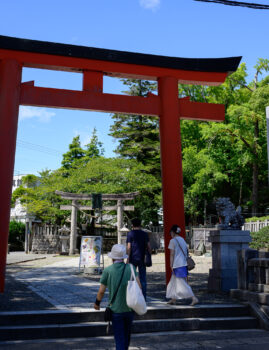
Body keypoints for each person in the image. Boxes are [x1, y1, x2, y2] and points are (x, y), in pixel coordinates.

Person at [94, 244, 141, 350]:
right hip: (130, 308)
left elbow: (101, 291)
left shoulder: (108, 270)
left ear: (113, 257)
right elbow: (139, 286)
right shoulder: (131, 268)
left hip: (116, 310)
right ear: (123, 257)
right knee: (126, 337)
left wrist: (97, 303)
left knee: (119, 338)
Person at [166, 224, 199, 306]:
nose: (170, 234)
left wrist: (171, 264)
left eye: (171, 232)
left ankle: (193, 298)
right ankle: (173, 299)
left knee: (182, 283)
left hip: (177, 264)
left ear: (173, 232)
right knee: (174, 281)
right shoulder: (182, 240)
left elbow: (172, 254)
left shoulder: (173, 241)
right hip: (183, 263)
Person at [127, 218, 151, 300]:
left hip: (132, 258)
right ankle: (143, 297)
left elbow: (129, 247)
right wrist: (149, 255)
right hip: (142, 258)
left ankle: (132, 296)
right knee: (143, 278)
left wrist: (127, 258)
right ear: (140, 225)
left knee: (132, 278)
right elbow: (149, 246)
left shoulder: (130, 234)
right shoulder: (144, 234)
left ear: (132, 225)